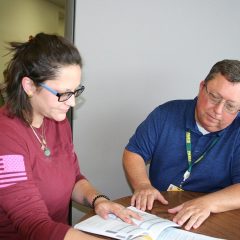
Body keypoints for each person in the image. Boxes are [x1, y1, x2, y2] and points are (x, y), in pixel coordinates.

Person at [0, 33, 140, 240]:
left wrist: (99, 200)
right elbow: (34, 225)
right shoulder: (6, 137)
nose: (72, 103)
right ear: (29, 86)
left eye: (75, 91)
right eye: (64, 93)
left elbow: (73, 178)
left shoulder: (57, 120)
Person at [123, 59, 240, 231]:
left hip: (215, 216)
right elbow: (134, 152)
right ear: (202, 88)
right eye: (214, 97)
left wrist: (208, 203)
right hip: (161, 211)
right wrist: (142, 185)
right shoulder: (166, 114)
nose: (218, 110)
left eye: (230, 106)